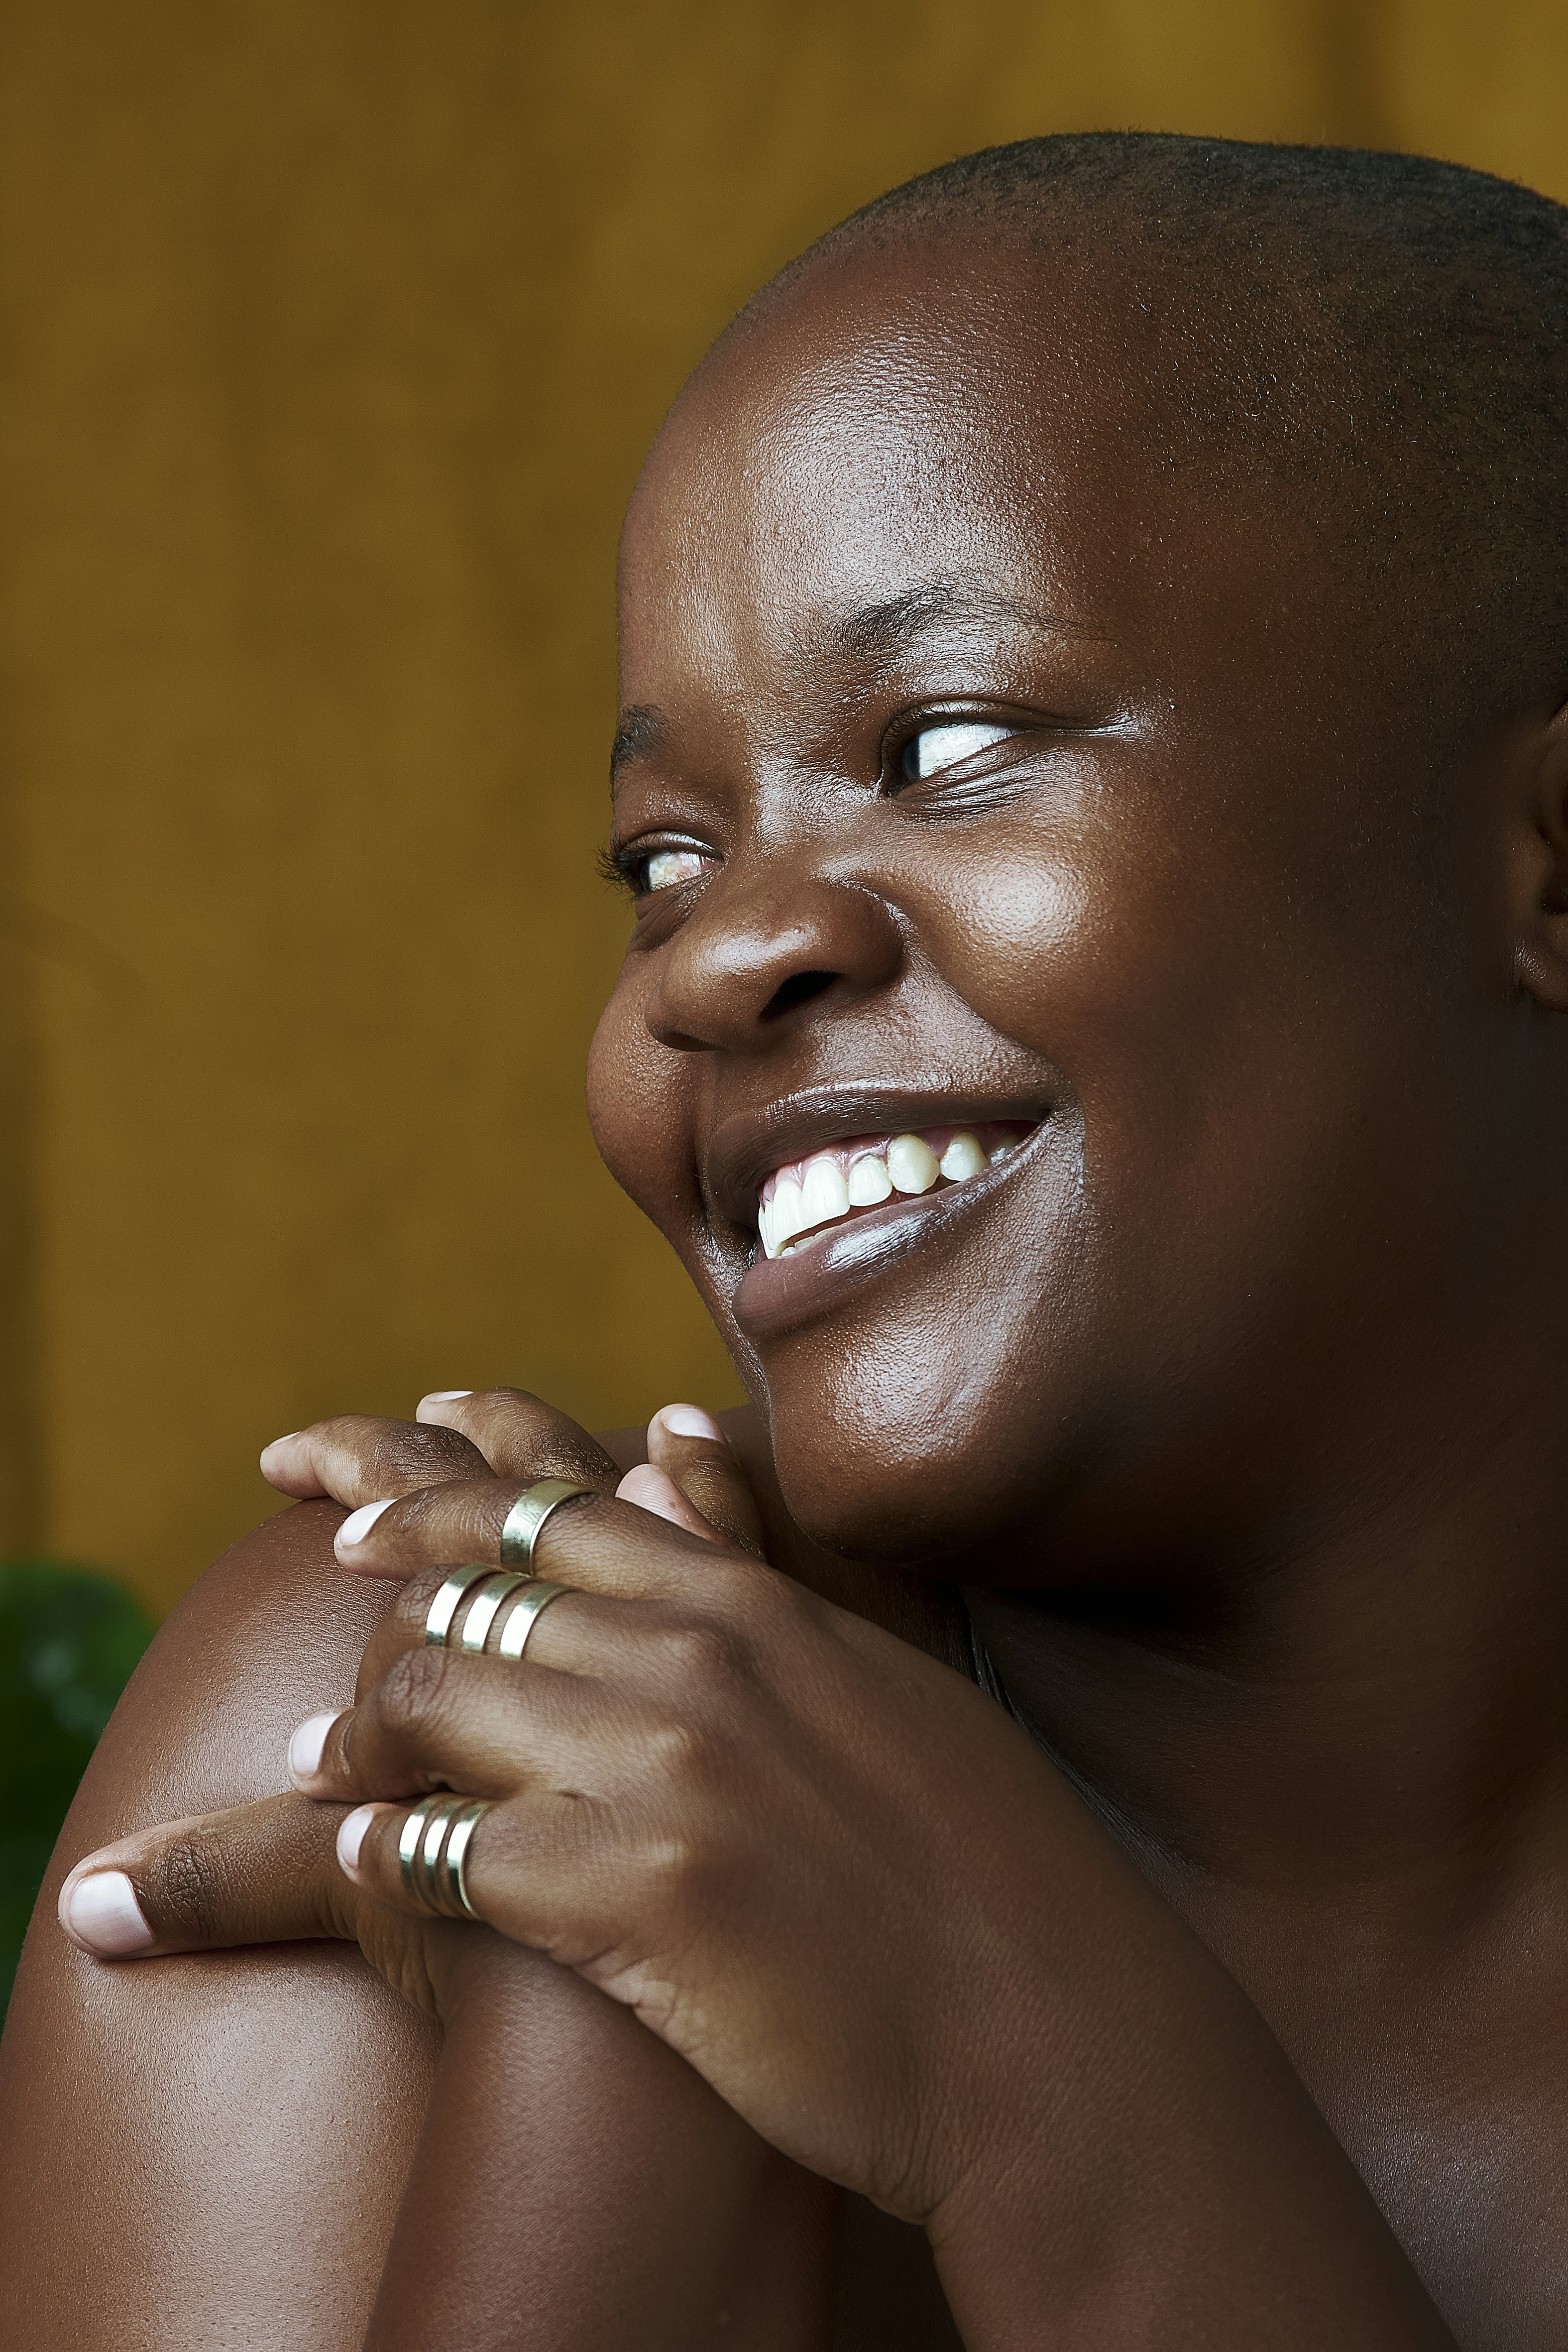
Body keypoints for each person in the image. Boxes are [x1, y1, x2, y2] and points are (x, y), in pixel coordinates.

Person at [2, 129, 1566, 2348]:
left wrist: (1026, 2056)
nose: (718, 952)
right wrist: (616, 2068)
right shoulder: (398, 1727)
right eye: (658, 853)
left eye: (939, 745)